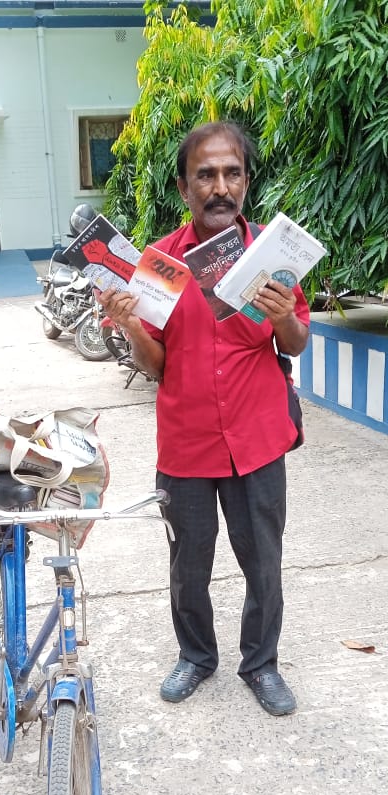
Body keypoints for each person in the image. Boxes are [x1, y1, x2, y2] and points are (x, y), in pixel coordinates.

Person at [99, 121, 310, 716]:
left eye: (232, 173)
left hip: (257, 439)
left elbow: (293, 344)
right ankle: (196, 656)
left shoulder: (275, 253)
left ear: (245, 180)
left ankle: (261, 664)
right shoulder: (161, 266)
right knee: (188, 564)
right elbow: (156, 366)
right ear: (184, 186)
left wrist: (279, 317)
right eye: (206, 174)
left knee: (263, 562)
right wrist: (134, 324)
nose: (221, 186)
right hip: (187, 443)